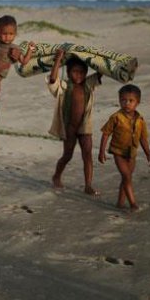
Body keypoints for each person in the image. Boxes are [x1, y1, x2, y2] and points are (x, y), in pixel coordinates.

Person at [47, 49, 102, 194]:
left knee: (87, 154)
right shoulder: (64, 86)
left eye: (82, 72)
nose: (78, 75)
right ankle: (56, 176)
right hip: (69, 127)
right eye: (75, 72)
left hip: (85, 126)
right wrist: (58, 59)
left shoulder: (88, 84)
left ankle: (88, 185)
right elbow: (53, 79)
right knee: (67, 155)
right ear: (68, 71)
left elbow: (101, 71)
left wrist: (97, 58)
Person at [98, 84, 150, 212]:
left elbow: (143, 138)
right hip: (118, 152)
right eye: (123, 100)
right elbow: (106, 134)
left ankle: (120, 203)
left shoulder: (140, 120)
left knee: (126, 178)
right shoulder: (116, 117)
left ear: (137, 102)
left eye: (131, 101)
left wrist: (148, 154)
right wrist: (101, 152)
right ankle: (133, 203)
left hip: (132, 153)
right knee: (127, 176)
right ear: (119, 101)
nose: (127, 103)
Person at [0, 15, 34, 119]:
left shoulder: (14, 49)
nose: (7, 37)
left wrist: (30, 50)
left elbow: (24, 61)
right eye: (4, 34)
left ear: (15, 34)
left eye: (11, 34)